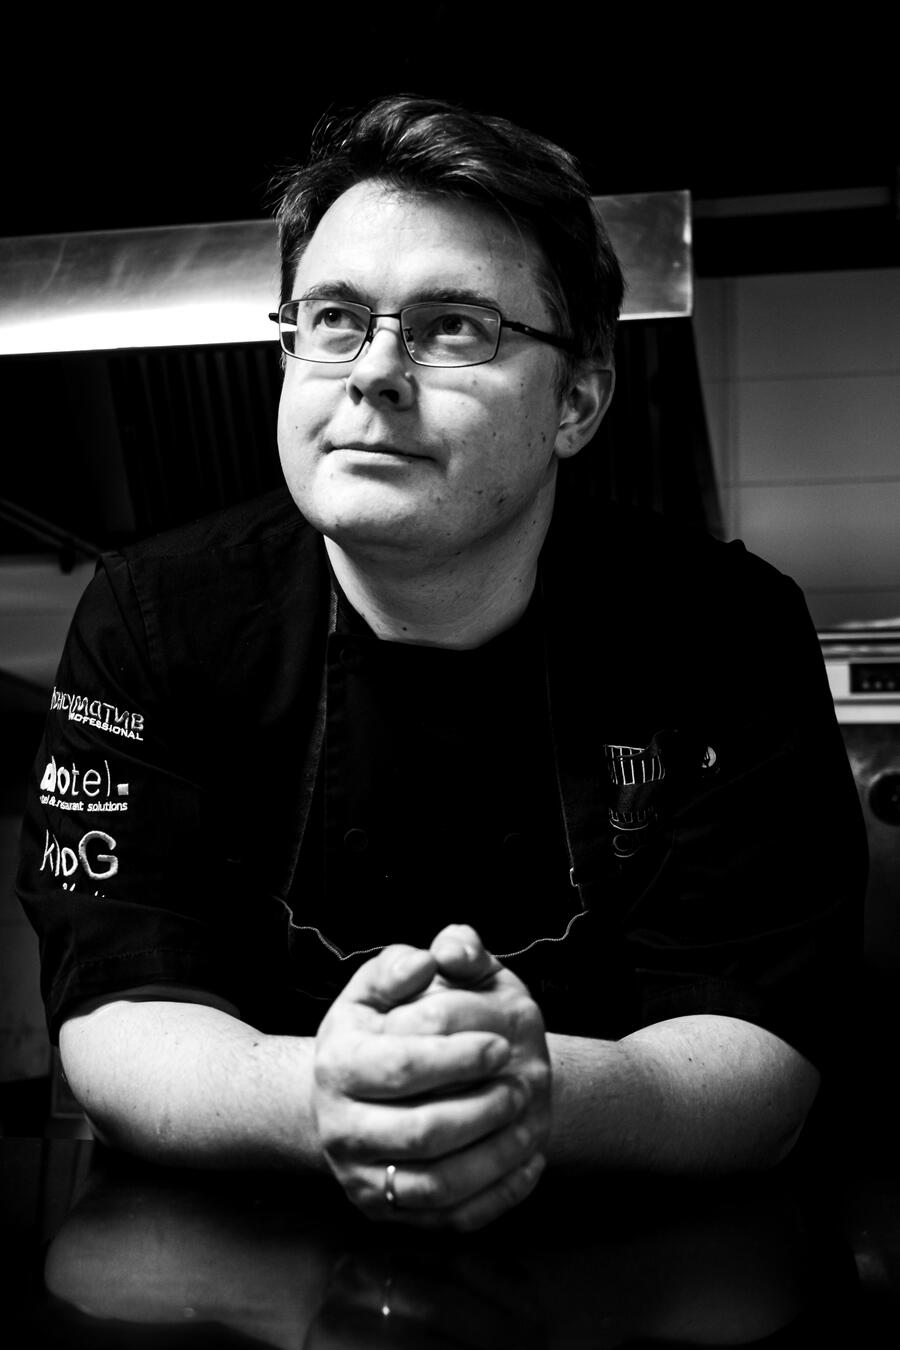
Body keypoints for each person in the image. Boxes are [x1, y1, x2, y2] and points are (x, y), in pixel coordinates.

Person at [17, 95, 866, 1232]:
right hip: (235, 1258)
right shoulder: (154, 619)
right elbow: (116, 1009)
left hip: (629, 1254)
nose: (373, 372)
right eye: (333, 317)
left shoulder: (727, 630)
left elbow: (761, 1056)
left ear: (577, 399)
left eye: (454, 327)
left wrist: (536, 1093)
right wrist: (320, 1094)